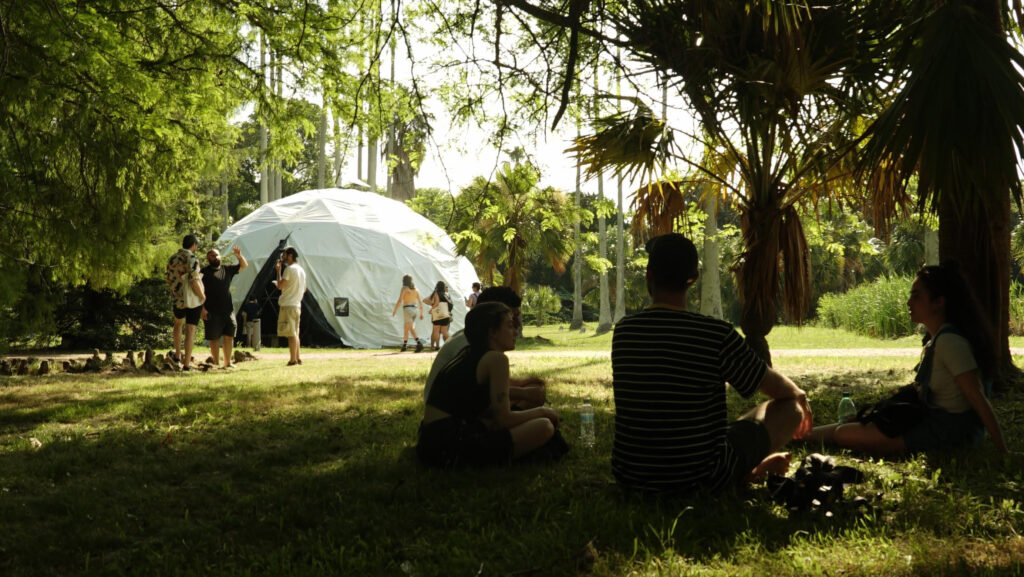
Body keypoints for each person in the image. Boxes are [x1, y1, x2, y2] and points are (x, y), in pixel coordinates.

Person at [612, 233, 812, 494]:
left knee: (732, 426)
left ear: (649, 275)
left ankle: (751, 472)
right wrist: (799, 395)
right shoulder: (715, 334)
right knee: (790, 409)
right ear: (693, 279)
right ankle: (746, 473)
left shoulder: (624, 331)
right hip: (703, 479)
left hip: (631, 477)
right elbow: (774, 387)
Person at [804, 262, 1007, 455]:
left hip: (949, 432)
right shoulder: (936, 339)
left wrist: (1002, 450)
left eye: (916, 296)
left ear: (939, 303)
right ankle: (792, 435)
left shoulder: (950, 343)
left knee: (843, 434)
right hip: (927, 419)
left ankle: (796, 436)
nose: (909, 302)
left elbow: (977, 397)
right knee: (848, 425)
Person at [417, 301, 563, 467]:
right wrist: (544, 412)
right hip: (450, 446)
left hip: (430, 443)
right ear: (492, 332)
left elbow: (486, 398)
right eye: (509, 326)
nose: (515, 331)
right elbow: (503, 420)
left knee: (528, 415)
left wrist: (524, 394)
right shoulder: (497, 359)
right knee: (544, 426)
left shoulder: (469, 352)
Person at [424, 286, 546, 407]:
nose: (517, 325)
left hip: (465, 407)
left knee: (534, 392)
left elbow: (490, 383)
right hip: (457, 413)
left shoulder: (476, 338)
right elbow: (479, 392)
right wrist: (523, 393)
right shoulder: (471, 345)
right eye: (510, 320)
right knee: (541, 418)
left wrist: (524, 385)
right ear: (492, 320)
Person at [200, 246, 247, 368]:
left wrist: (239, 256)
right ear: (208, 258)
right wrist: (202, 308)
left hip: (228, 310)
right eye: (212, 255)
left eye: (216, 255)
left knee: (229, 336)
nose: (215, 257)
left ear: (220, 256)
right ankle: (215, 363)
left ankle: (227, 362)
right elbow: (198, 291)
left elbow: (244, 266)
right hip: (211, 311)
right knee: (214, 338)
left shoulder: (227, 269)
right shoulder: (203, 273)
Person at [165, 234, 205, 371]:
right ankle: (187, 364)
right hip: (192, 299)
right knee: (190, 329)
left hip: (177, 297)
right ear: (194, 245)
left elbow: (169, 278)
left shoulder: (172, 258)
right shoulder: (191, 258)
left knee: (177, 324)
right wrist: (202, 296)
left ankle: (177, 356)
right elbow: (194, 281)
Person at [274, 246, 307, 366]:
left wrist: (278, 271)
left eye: (284, 255)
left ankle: (293, 360)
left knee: (290, 334)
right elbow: (304, 289)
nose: (282, 258)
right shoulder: (301, 270)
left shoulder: (289, 269)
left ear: (290, 255)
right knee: (295, 332)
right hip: (297, 305)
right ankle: (297, 358)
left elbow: (280, 286)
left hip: (288, 304)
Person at [392, 274, 424, 352]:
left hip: (407, 309)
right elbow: (420, 302)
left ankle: (419, 343)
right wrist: (421, 313)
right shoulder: (416, 290)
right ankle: (404, 345)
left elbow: (400, 300)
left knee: (410, 327)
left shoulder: (404, 288)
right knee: (406, 327)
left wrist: (395, 311)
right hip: (415, 309)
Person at [424, 281, 453, 351]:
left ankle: (437, 346)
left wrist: (431, 307)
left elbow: (428, 301)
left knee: (436, 330)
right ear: (443, 287)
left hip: (437, 313)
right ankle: (451, 343)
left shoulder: (435, 293)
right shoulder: (447, 294)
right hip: (445, 314)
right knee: (445, 331)